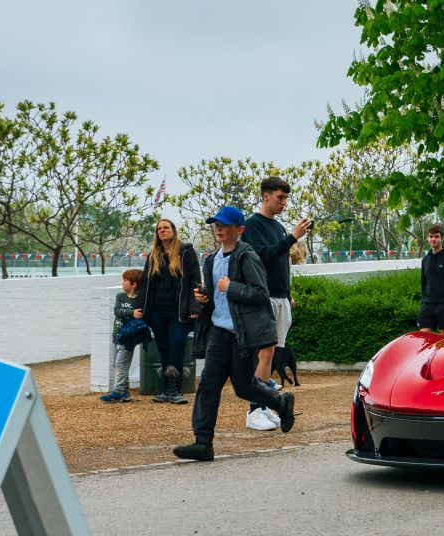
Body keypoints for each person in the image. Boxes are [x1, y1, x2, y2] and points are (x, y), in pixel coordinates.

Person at [173, 206, 295, 463]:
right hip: (218, 332)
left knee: (244, 387)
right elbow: (215, 295)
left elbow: (261, 293)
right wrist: (203, 296)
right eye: (216, 224)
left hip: (242, 334)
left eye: (224, 225)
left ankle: (282, 404)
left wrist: (232, 288)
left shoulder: (247, 256)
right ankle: (203, 443)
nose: (218, 229)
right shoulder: (212, 259)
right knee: (208, 386)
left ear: (239, 230)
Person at [243, 176, 311, 432]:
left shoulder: (278, 226)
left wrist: (287, 292)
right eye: (280, 197)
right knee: (263, 354)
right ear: (265, 196)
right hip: (264, 297)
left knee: (273, 355)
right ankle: (253, 410)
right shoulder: (253, 225)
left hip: (281, 297)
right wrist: (293, 236)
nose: (283, 202)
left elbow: (283, 263)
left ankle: (264, 405)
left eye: (285, 198)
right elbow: (262, 257)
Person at [132, 218, 201, 404]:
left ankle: (176, 389)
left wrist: (195, 307)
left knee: (177, 344)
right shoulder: (154, 255)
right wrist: (138, 306)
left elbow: (195, 280)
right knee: (163, 348)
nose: (162, 231)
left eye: (166, 227)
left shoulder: (186, 252)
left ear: (173, 230)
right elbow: (146, 283)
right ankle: (166, 388)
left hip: (179, 311)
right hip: (157, 311)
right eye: (159, 229)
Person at [101, 269, 146, 403]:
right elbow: (117, 311)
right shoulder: (120, 296)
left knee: (121, 365)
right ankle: (125, 392)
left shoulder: (140, 300)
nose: (122, 283)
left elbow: (140, 317)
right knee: (118, 364)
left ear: (133, 284)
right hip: (116, 337)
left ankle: (116, 393)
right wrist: (131, 312)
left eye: (125, 281)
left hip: (128, 340)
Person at [418, 223, 444, 332]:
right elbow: (423, 282)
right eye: (431, 236)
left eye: (436, 236)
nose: (433, 239)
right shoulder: (425, 259)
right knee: (424, 338)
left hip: (443, 305)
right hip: (427, 305)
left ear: (442, 238)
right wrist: (424, 301)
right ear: (427, 238)